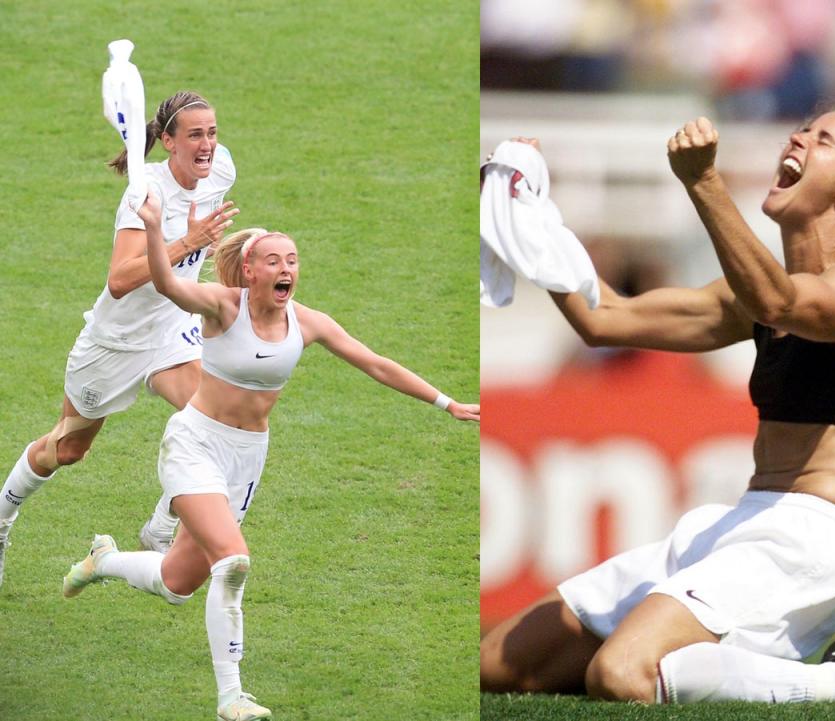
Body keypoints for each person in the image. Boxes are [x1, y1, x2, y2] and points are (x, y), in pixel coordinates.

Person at [479, 101, 835, 705]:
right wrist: (530, 216)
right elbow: (605, 319)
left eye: (825, 139)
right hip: (735, 526)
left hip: (807, 546)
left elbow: (781, 303)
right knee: (499, 666)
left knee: (622, 673)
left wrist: (704, 183)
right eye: (803, 128)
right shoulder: (755, 295)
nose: (800, 136)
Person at [61, 198, 480, 720]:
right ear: (251, 271)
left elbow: (376, 364)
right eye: (276, 260)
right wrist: (152, 229)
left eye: (294, 260)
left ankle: (104, 561)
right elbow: (168, 285)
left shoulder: (307, 322)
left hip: (246, 459)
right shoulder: (222, 306)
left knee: (177, 583)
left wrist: (447, 402)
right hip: (194, 445)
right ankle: (231, 697)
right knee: (233, 562)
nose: (287, 269)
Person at [0, 91, 239, 588]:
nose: (208, 145)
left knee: (213, 420)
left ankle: (159, 528)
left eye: (212, 132)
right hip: (116, 342)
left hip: (173, 329)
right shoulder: (143, 194)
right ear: (167, 142)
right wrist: (186, 244)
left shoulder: (220, 171)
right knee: (66, 449)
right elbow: (120, 279)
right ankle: (2, 518)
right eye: (195, 135)